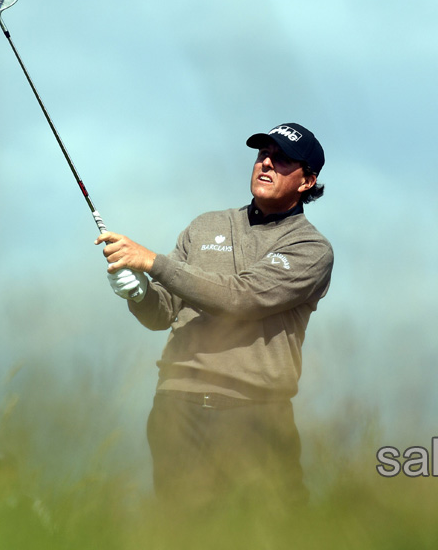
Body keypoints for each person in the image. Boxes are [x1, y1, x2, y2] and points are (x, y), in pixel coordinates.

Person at [95, 122, 333, 514]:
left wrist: (153, 263)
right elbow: (163, 313)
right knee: (185, 531)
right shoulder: (205, 225)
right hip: (178, 406)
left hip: (255, 414)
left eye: (283, 159)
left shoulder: (310, 248)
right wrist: (137, 292)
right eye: (262, 154)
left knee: (277, 531)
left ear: (307, 181)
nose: (266, 163)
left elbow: (241, 298)